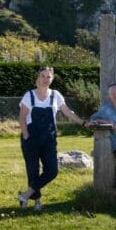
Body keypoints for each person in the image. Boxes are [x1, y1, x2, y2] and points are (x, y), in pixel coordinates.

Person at [18, 66, 85, 211]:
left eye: (48, 77)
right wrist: (26, 136)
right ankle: (37, 202)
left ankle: (26, 194)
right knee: (33, 171)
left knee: (52, 171)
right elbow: (22, 117)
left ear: (52, 79)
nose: (45, 79)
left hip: (49, 140)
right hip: (31, 139)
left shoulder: (56, 95)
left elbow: (68, 112)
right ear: (38, 78)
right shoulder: (29, 96)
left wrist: (83, 123)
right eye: (43, 76)